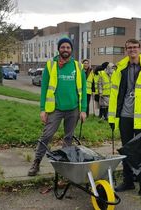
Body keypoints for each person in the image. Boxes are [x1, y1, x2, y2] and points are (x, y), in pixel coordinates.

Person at [108, 38, 141, 201]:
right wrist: (111, 117)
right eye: (129, 47)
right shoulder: (120, 69)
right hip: (125, 115)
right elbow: (114, 95)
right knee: (126, 150)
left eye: (135, 47)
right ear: (126, 50)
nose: (132, 50)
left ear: (140, 49)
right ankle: (128, 181)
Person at [28, 36, 87, 176]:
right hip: (55, 109)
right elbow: (44, 88)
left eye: (68, 47)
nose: (65, 49)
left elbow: (84, 90)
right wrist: (43, 109)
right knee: (46, 136)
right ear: (59, 49)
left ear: (71, 49)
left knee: (68, 137)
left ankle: (64, 165)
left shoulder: (78, 66)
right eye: (63, 47)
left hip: (73, 109)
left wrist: (83, 110)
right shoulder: (51, 65)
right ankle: (36, 162)